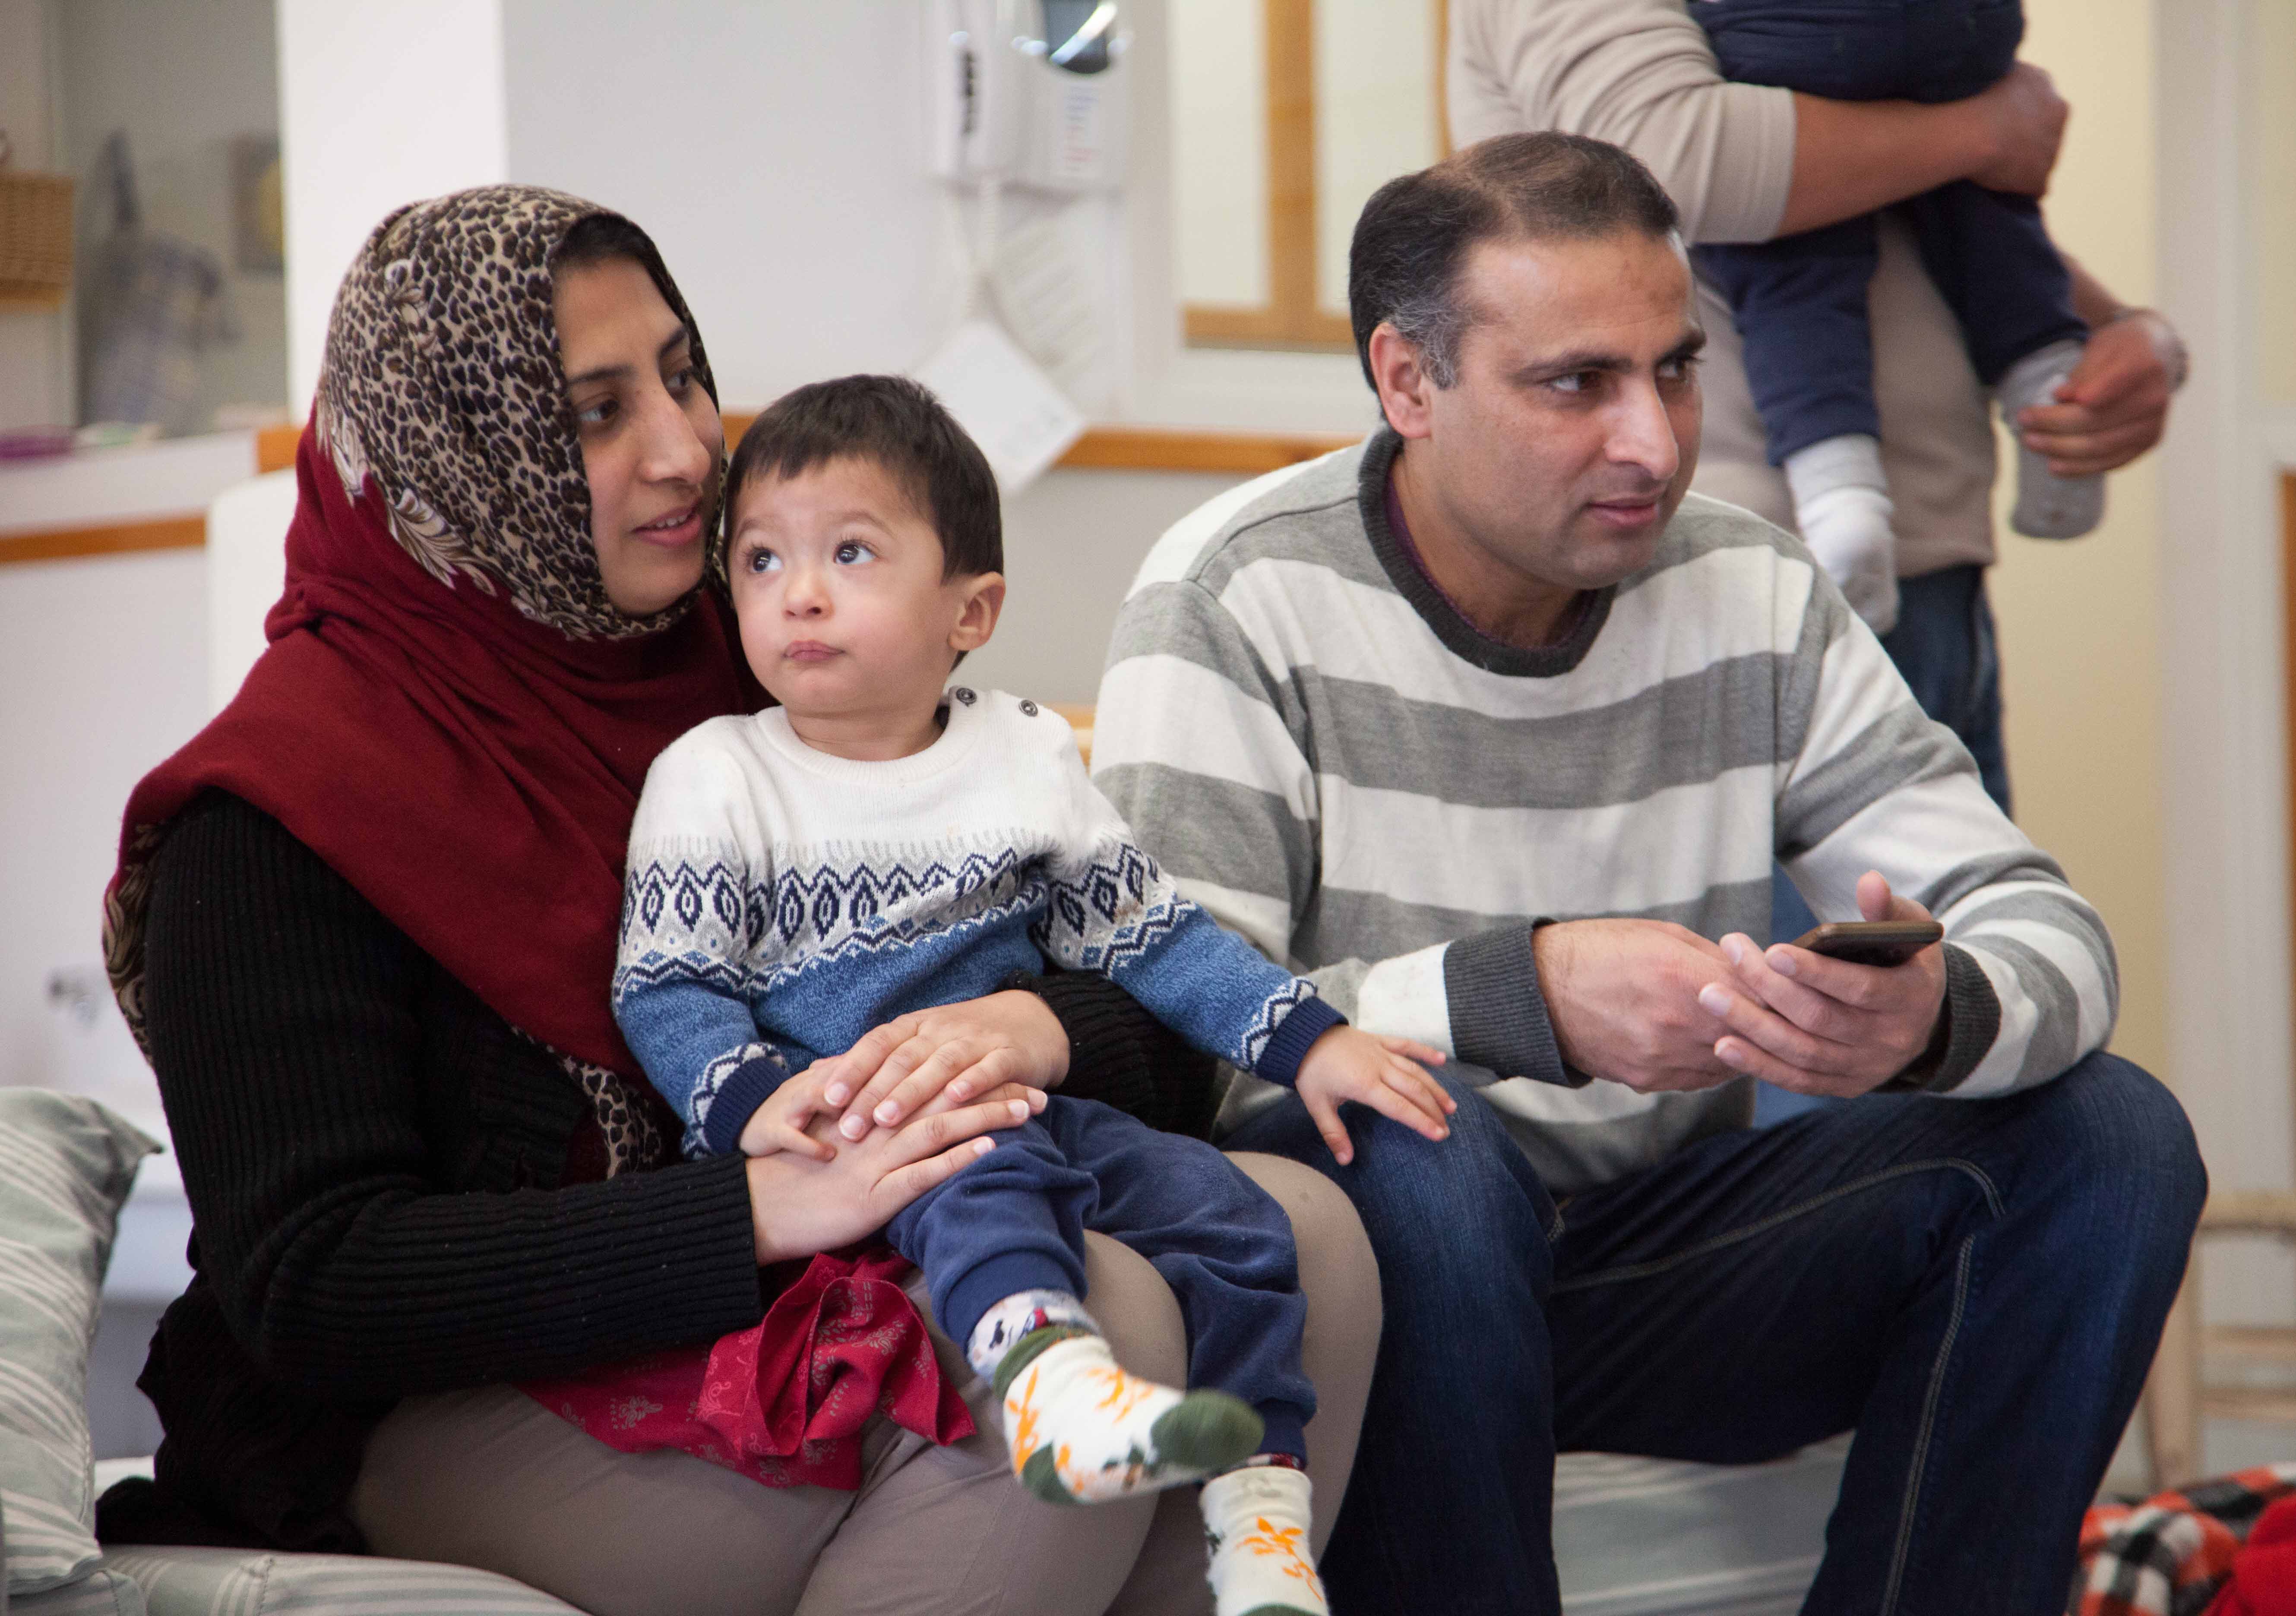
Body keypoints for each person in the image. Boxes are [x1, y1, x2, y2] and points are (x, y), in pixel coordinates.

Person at [95, 185, 1379, 1616]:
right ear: (463, 451)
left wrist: (1036, 1030)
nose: (686, 447)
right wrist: (759, 1203)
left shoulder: (773, 654)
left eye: (683, 375)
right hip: (430, 1396)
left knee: (1309, 1235)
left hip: (830, 1256)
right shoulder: (274, 809)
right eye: (597, 412)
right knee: (1098, 1320)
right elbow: (313, 1281)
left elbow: (1131, 969)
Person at [1092, 135, 2206, 1615]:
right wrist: (1512, 995)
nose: (1655, 445)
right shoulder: (1237, 593)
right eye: (1577, 384)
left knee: (2112, 1135)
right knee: (1418, 1148)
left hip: (1657, 1267)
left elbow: (2046, 924)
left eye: (1674, 371)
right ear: (1407, 382)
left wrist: (1931, 1014)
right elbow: (1162, 1055)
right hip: (1362, 1278)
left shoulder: (1751, 587)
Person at [609, 375, 1455, 1616]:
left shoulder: (1023, 755)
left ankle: (1259, 1518)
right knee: (985, 1168)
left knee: (1233, 1217)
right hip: (848, 1132)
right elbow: (667, 984)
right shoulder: (717, 776)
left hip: (1020, 1107)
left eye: (851, 553)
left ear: (972, 608)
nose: (799, 593)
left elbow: (1156, 940)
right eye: (760, 560)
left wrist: (1311, 1043)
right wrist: (755, 1104)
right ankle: (1054, 1389)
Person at [1449, 0, 2189, 816]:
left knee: (1963, 900)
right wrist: (1984, 128)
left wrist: (2122, 330)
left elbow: (1910, 211)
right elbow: (1665, 158)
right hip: (1720, 583)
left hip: (1928, 575)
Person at [1692, 0, 2100, 633]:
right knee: (1982, 200)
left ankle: (1840, 496)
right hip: (1964, 22)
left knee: (1792, 250)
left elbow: (1707, 163)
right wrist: (1988, 128)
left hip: (1795, 32)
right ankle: (2047, 381)